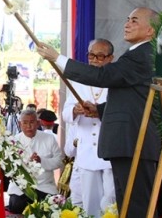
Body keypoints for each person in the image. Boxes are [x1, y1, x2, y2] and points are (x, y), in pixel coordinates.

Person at [36, 7, 161, 217]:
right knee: (127, 204)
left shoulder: (141, 55)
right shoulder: (139, 53)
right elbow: (133, 99)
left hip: (133, 142)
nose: (127, 24)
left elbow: (103, 76)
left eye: (135, 20)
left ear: (150, 30)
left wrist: (57, 58)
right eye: (127, 19)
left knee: (136, 205)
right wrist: (99, 110)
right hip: (126, 143)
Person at [62, 38, 116, 218]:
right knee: (89, 202)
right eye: (91, 55)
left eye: (100, 56)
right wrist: (75, 110)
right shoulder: (78, 81)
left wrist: (99, 111)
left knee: (111, 198)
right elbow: (65, 113)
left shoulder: (117, 81)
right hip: (86, 151)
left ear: (110, 58)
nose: (95, 60)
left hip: (109, 151)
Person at [7, 109, 64, 214]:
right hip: (21, 187)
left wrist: (41, 161)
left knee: (52, 208)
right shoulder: (13, 141)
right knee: (16, 206)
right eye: (25, 123)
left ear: (38, 123)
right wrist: (27, 162)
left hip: (45, 186)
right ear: (20, 124)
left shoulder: (49, 139)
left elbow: (59, 161)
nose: (29, 126)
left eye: (32, 122)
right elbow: (9, 166)